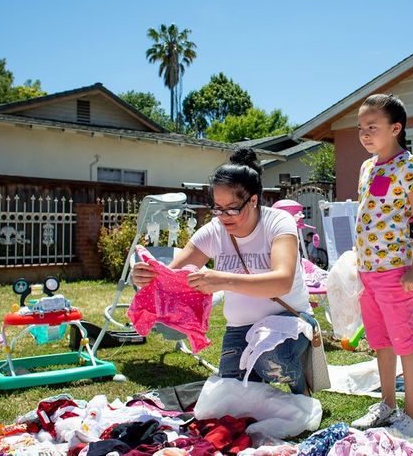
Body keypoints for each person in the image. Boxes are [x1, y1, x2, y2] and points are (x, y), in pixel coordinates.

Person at [131, 147, 314, 394]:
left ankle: (299, 387)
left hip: (287, 321)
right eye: (217, 208)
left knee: (270, 359)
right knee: (233, 397)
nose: (223, 216)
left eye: (232, 208)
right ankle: (263, 389)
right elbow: (171, 275)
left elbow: (281, 282)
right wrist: (148, 277)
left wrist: (223, 280)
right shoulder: (214, 230)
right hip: (240, 329)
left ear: (253, 200)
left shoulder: (278, 223)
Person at [350, 93, 413, 438]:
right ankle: (387, 404)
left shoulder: (409, 167)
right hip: (367, 272)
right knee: (380, 340)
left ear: (395, 128)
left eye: (373, 127)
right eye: (360, 128)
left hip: (395, 271)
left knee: (406, 342)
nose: (365, 134)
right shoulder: (368, 167)